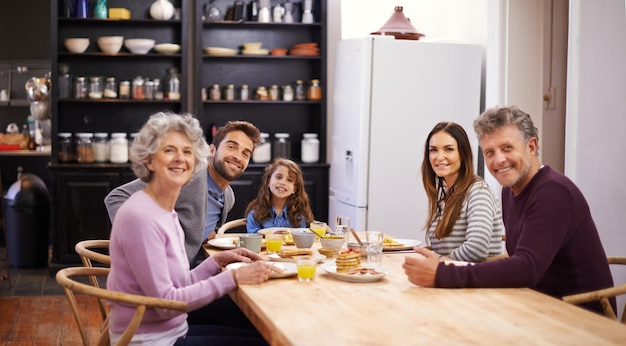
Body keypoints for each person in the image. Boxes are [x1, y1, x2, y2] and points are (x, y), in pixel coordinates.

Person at [403, 105, 615, 315]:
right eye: (489, 152)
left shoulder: (553, 191)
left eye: (507, 148)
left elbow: (527, 267)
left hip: (579, 315)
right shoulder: (510, 191)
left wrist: (443, 273)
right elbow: (518, 258)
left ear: (531, 147)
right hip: (535, 302)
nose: (498, 160)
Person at [107, 112, 276, 345]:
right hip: (151, 336)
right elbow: (165, 301)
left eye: (187, 152)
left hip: (173, 323)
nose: (181, 160)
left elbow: (177, 284)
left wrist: (215, 261)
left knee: (262, 327)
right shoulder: (141, 215)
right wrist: (135, 243)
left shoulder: (169, 214)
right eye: (169, 151)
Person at [105, 120, 261, 267]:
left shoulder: (228, 197)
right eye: (232, 147)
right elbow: (117, 197)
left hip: (188, 274)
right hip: (160, 277)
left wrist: (205, 230)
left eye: (245, 153)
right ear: (211, 150)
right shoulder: (188, 176)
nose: (237, 156)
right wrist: (144, 245)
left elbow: (195, 225)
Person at [421, 121, 503, 262]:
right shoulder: (445, 196)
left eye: (449, 149)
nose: (439, 157)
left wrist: (439, 260)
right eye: (433, 150)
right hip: (451, 277)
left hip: (475, 280)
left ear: (463, 154)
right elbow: (445, 250)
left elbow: (476, 249)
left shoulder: (478, 192)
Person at [245, 158, 314, 233]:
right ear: (268, 182)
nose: (282, 182)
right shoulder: (254, 214)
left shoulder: (300, 215)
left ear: (294, 189)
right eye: (278, 177)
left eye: (289, 180)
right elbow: (253, 241)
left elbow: (300, 240)